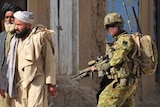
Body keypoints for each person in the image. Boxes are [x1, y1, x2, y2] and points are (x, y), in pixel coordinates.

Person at [5, 11, 57, 107]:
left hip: (36, 82)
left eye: (19, 25)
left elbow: (50, 61)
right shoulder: (14, 41)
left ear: (28, 25)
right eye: (15, 24)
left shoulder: (40, 38)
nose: (16, 27)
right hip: (19, 84)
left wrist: (51, 84)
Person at [91, 12, 138, 107]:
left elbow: (119, 57)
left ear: (120, 25)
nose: (110, 29)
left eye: (113, 26)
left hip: (123, 83)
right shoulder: (116, 43)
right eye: (108, 27)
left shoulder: (125, 40)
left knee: (104, 103)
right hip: (125, 83)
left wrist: (104, 67)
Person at [0, 3, 22, 107]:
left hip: (18, 79)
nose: (9, 20)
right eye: (7, 17)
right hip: (3, 80)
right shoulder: (1, 36)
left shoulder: (22, 36)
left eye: (12, 17)